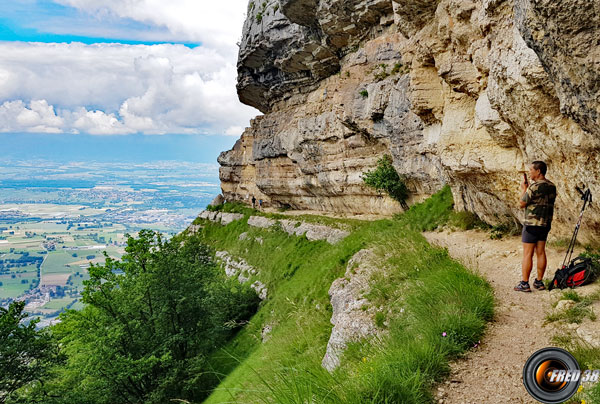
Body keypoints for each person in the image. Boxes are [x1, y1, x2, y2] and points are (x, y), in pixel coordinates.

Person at [515, 161, 557, 292]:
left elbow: (522, 203)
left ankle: (525, 283)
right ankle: (539, 282)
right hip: (545, 224)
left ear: (538, 171)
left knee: (527, 254)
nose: (529, 172)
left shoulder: (534, 187)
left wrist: (524, 189)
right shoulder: (552, 186)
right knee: (541, 252)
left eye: (531, 170)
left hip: (531, 224)